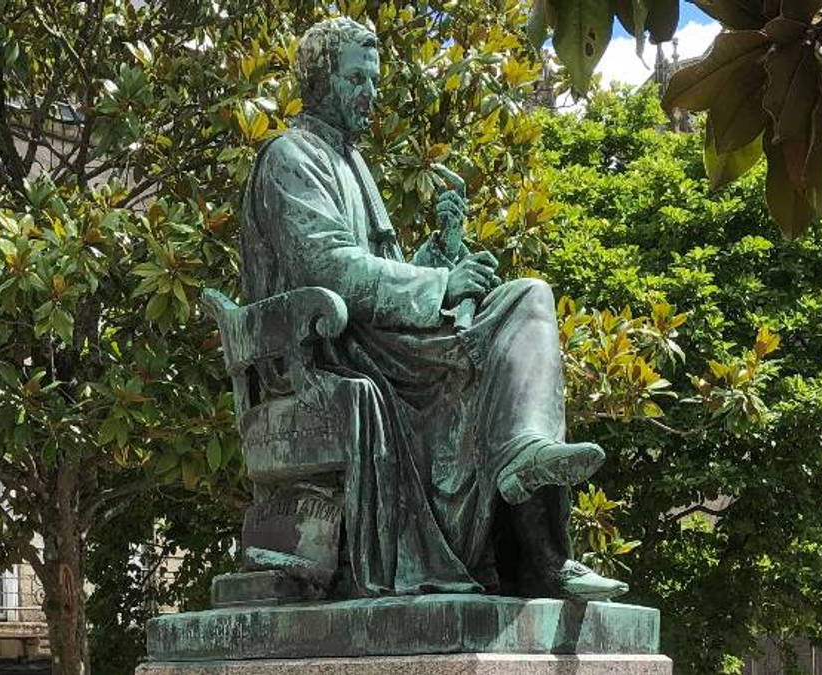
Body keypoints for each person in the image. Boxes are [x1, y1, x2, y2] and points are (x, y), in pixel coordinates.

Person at [239, 17, 625, 600]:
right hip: (327, 355)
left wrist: (439, 250)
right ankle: (534, 538)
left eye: (374, 80)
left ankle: (538, 526)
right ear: (319, 80)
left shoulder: (350, 161)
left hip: (379, 341)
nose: (371, 94)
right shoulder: (290, 157)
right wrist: (441, 283)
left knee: (527, 297)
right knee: (510, 320)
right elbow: (331, 269)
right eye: (357, 80)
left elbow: (379, 266)